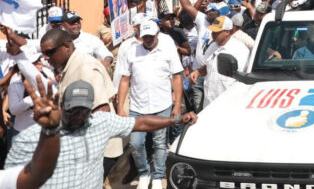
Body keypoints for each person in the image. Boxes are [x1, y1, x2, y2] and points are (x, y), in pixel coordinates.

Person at [7, 80, 197, 189]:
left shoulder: (100, 123)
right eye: (73, 110)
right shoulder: (30, 139)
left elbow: (141, 122)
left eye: (84, 111)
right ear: (62, 106)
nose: (78, 116)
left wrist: (177, 120)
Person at [38, 28, 124, 179]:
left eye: (49, 52)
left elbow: (102, 112)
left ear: (66, 46)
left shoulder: (85, 68)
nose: (46, 58)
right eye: (43, 53)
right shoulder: (71, 65)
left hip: (97, 150)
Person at [116, 20, 183, 189]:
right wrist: (120, 106)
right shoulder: (131, 52)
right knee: (135, 144)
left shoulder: (168, 50)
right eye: (144, 36)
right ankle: (144, 173)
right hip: (138, 107)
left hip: (162, 105)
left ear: (157, 34)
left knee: (160, 143)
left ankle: (158, 176)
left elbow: (176, 77)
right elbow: (125, 80)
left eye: (150, 36)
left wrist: (177, 105)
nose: (147, 39)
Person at [0, 76, 61, 188]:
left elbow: (37, 176)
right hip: (19, 133)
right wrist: (29, 100)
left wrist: (50, 129)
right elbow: (14, 109)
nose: (39, 64)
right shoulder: (15, 84)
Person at [189, 16, 250, 108]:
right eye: (212, 31)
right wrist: (198, 72)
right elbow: (208, 66)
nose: (212, 34)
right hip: (208, 102)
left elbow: (244, 77)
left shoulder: (241, 50)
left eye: (216, 32)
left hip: (228, 104)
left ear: (227, 32)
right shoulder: (213, 46)